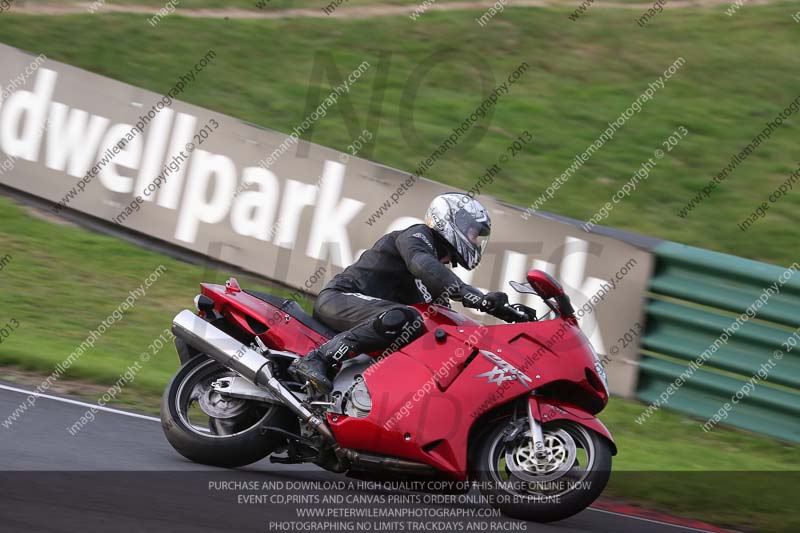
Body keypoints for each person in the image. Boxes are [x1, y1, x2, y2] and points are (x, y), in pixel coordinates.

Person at [288, 192, 511, 393]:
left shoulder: (435, 284)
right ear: (454, 222)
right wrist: (472, 295)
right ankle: (317, 359)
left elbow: (445, 327)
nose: (476, 241)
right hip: (339, 299)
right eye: (474, 233)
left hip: (371, 322)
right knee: (407, 318)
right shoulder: (417, 236)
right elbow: (421, 263)